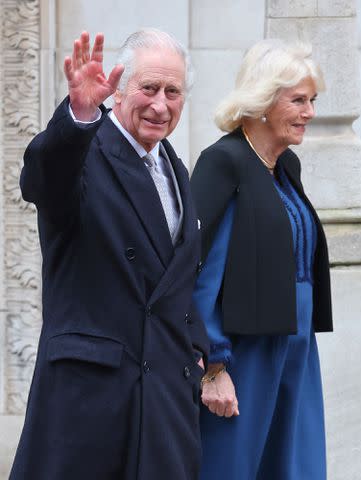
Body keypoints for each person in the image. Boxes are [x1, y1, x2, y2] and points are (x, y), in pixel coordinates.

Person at [10, 29, 209, 480]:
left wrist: (196, 347)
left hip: (163, 404)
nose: (161, 104)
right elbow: (42, 179)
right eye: (149, 88)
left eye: (172, 91)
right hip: (91, 403)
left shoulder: (174, 166)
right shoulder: (86, 150)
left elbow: (178, 278)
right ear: (118, 90)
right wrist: (79, 114)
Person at [191, 39, 333, 480]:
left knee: (295, 464)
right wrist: (214, 365)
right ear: (264, 101)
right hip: (245, 353)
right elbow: (201, 273)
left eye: (311, 100)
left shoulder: (286, 166)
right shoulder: (223, 162)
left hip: (296, 345)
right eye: (298, 100)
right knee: (234, 466)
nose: (309, 112)